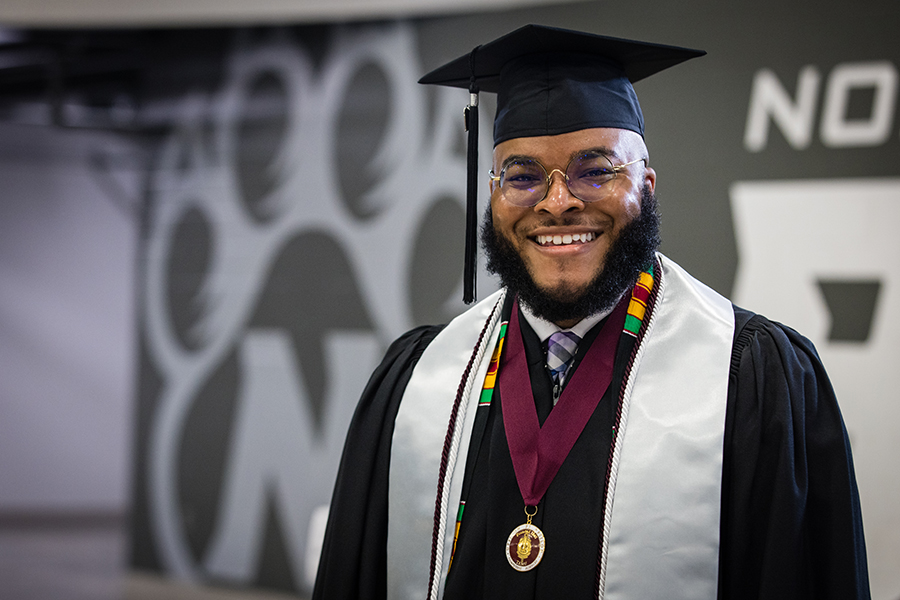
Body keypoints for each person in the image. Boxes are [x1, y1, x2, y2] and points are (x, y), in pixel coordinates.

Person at [312, 24, 870, 600]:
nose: (558, 202)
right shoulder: (419, 382)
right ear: (493, 195)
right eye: (523, 176)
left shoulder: (750, 378)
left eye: (595, 170)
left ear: (647, 187)